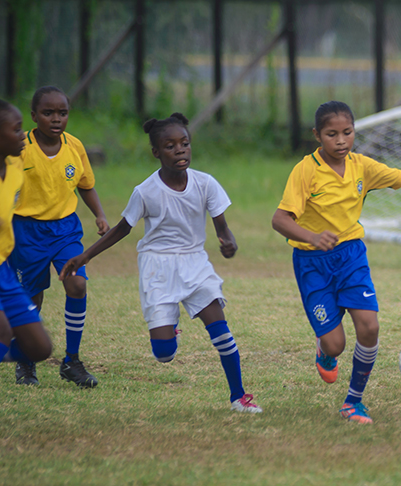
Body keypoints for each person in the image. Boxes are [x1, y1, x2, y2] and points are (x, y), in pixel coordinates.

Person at [272, 101, 401, 424]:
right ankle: (325, 350)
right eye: (331, 134)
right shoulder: (305, 171)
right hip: (312, 262)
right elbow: (280, 219)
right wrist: (311, 237)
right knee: (336, 344)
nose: (341, 141)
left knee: (370, 326)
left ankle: (354, 402)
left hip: (351, 255)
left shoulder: (361, 166)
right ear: (317, 135)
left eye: (347, 133)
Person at [59, 113, 262, 413]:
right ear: (156, 152)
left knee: (221, 331)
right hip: (157, 267)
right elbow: (123, 228)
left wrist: (228, 242)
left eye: (185, 143)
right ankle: (170, 329)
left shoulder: (205, 183)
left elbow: (222, 227)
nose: (180, 150)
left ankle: (239, 397)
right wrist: (86, 255)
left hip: (195, 263)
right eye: (170, 146)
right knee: (164, 354)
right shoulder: (145, 191)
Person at [8, 86, 109, 388]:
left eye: (62, 113)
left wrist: (100, 215)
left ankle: (72, 361)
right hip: (26, 231)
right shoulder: (20, 147)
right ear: (34, 115)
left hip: (65, 229)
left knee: (76, 284)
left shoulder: (74, 147)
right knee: (32, 299)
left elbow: (85, 184)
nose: (56, 119)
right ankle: (26, 362)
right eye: (48, 113)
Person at [0, 98, 53, 453]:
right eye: (16, 128)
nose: (24, 134)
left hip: (2, 268)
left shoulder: (16, 162)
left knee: (38, 348)